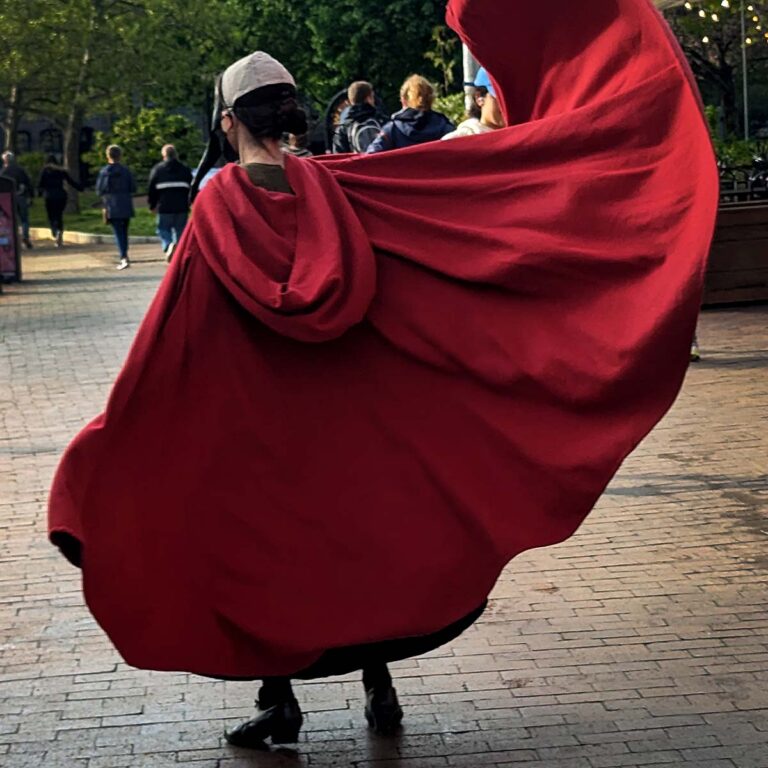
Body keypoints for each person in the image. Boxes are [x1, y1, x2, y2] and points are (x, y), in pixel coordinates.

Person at [49, 0, 718, 757]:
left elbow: (170, 340)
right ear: (293, 115)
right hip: (345, 425)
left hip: (258, 432)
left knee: (262, 554)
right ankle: (380, 688)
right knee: (357, 541)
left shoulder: (217, 214)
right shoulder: (351, 194)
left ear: (227, 121)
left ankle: (281, 704)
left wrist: (113, 444)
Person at [366, 74, 454, 153]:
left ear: (403, 100)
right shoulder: (446, 128)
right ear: (431, 99)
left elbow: (371, 155)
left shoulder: (392, 129)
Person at [147, 144, 193, 262]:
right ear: (176, 154)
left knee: (163, 229)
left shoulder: (158, 170)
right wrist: (191, 203)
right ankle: (178, 253)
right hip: (181, 206)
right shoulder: (185, 169)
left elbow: (152, 189)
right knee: (180, 230)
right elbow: (192, 187)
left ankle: (168, 245)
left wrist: (152, 205)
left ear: (164, 155)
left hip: (164, 206)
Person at [96, 145, 136, 270]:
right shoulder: (126, 170)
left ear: (108, 156)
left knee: (118, 232)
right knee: (125, 231)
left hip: (111, 204)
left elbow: (99, 190)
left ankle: (123, 256)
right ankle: (124, 253)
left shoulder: (104, 172)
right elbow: (133, 188)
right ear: (120, 155)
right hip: (125, 203)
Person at [442, 67, 506, 140]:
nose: (508, 106)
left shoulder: (519, 139)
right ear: (479, 98)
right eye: (500, 98)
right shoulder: (457, 142)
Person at [37, 155, 83, 247]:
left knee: (51, 215)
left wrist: (38, 194)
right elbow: (70, 181)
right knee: (59, 215)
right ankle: (59, 232)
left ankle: (55, 231)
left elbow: (40, 184)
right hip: (61, 195)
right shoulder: (61, 171)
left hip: (49, 196)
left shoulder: (45, 171)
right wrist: (80, 188)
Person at [332, 81, 383, 154]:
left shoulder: (342, 129)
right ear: (368, 98)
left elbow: (339, 159)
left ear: (350, 100)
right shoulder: (381, 121)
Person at [1, 151, 33, 248]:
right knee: (24, 219)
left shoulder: (3, 172)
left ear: (4, 160)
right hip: (21, 196)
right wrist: (31, 196)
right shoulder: (20, 170)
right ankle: (25, 236)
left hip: (8, 199)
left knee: (8, 220)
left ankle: (11, 239)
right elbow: (28, 183)